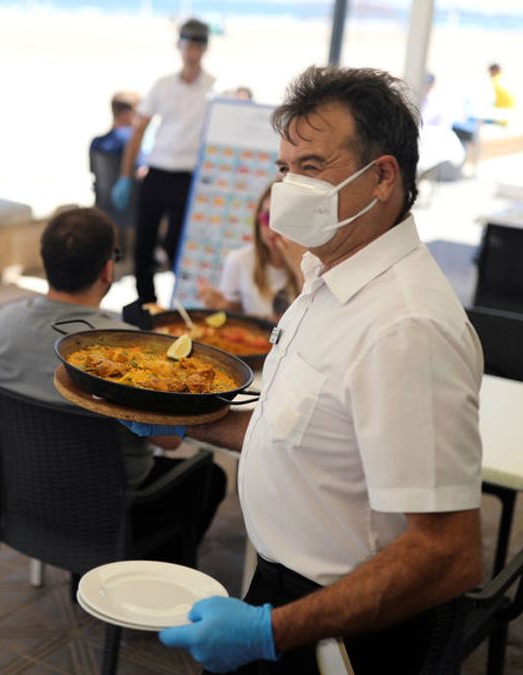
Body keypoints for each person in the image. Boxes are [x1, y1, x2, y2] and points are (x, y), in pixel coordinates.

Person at [129, 66, 484, 674]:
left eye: (312, 167)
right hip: (285, 596)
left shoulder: (405, 326)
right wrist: (182, 420)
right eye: (284, 168)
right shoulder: (326, 279)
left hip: (345, 629)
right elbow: (297, 432)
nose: (289, 185)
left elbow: (448, 553)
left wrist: (270, 632)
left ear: (381, 179)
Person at [0, 207, 226, 558]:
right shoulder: (125, 348)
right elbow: (170, 440)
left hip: (24, 495)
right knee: (210, 477)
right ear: (108, 269)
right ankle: (142, 583)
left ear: (45, 261)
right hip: (113, 509)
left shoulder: (0, 325)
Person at [111, 18, 216, 305]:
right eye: (188, 42)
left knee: (177, 244)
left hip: (188, 176)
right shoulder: (163, 86)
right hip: (157, 172)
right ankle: (147, 302)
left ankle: (178, 302)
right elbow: (139, 130)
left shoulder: (213, 89)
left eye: (198, 43)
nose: (192, 49)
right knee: (143, 242)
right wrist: (126, 175)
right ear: (179, 45)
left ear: (205, 47)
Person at [197, 182, 299, 321]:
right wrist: (222, 305)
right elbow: (235, 318)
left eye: (283, 219)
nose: (272, 228)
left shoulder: (314, 266)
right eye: (267, 217)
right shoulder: (238, 260)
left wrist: (298, 266)